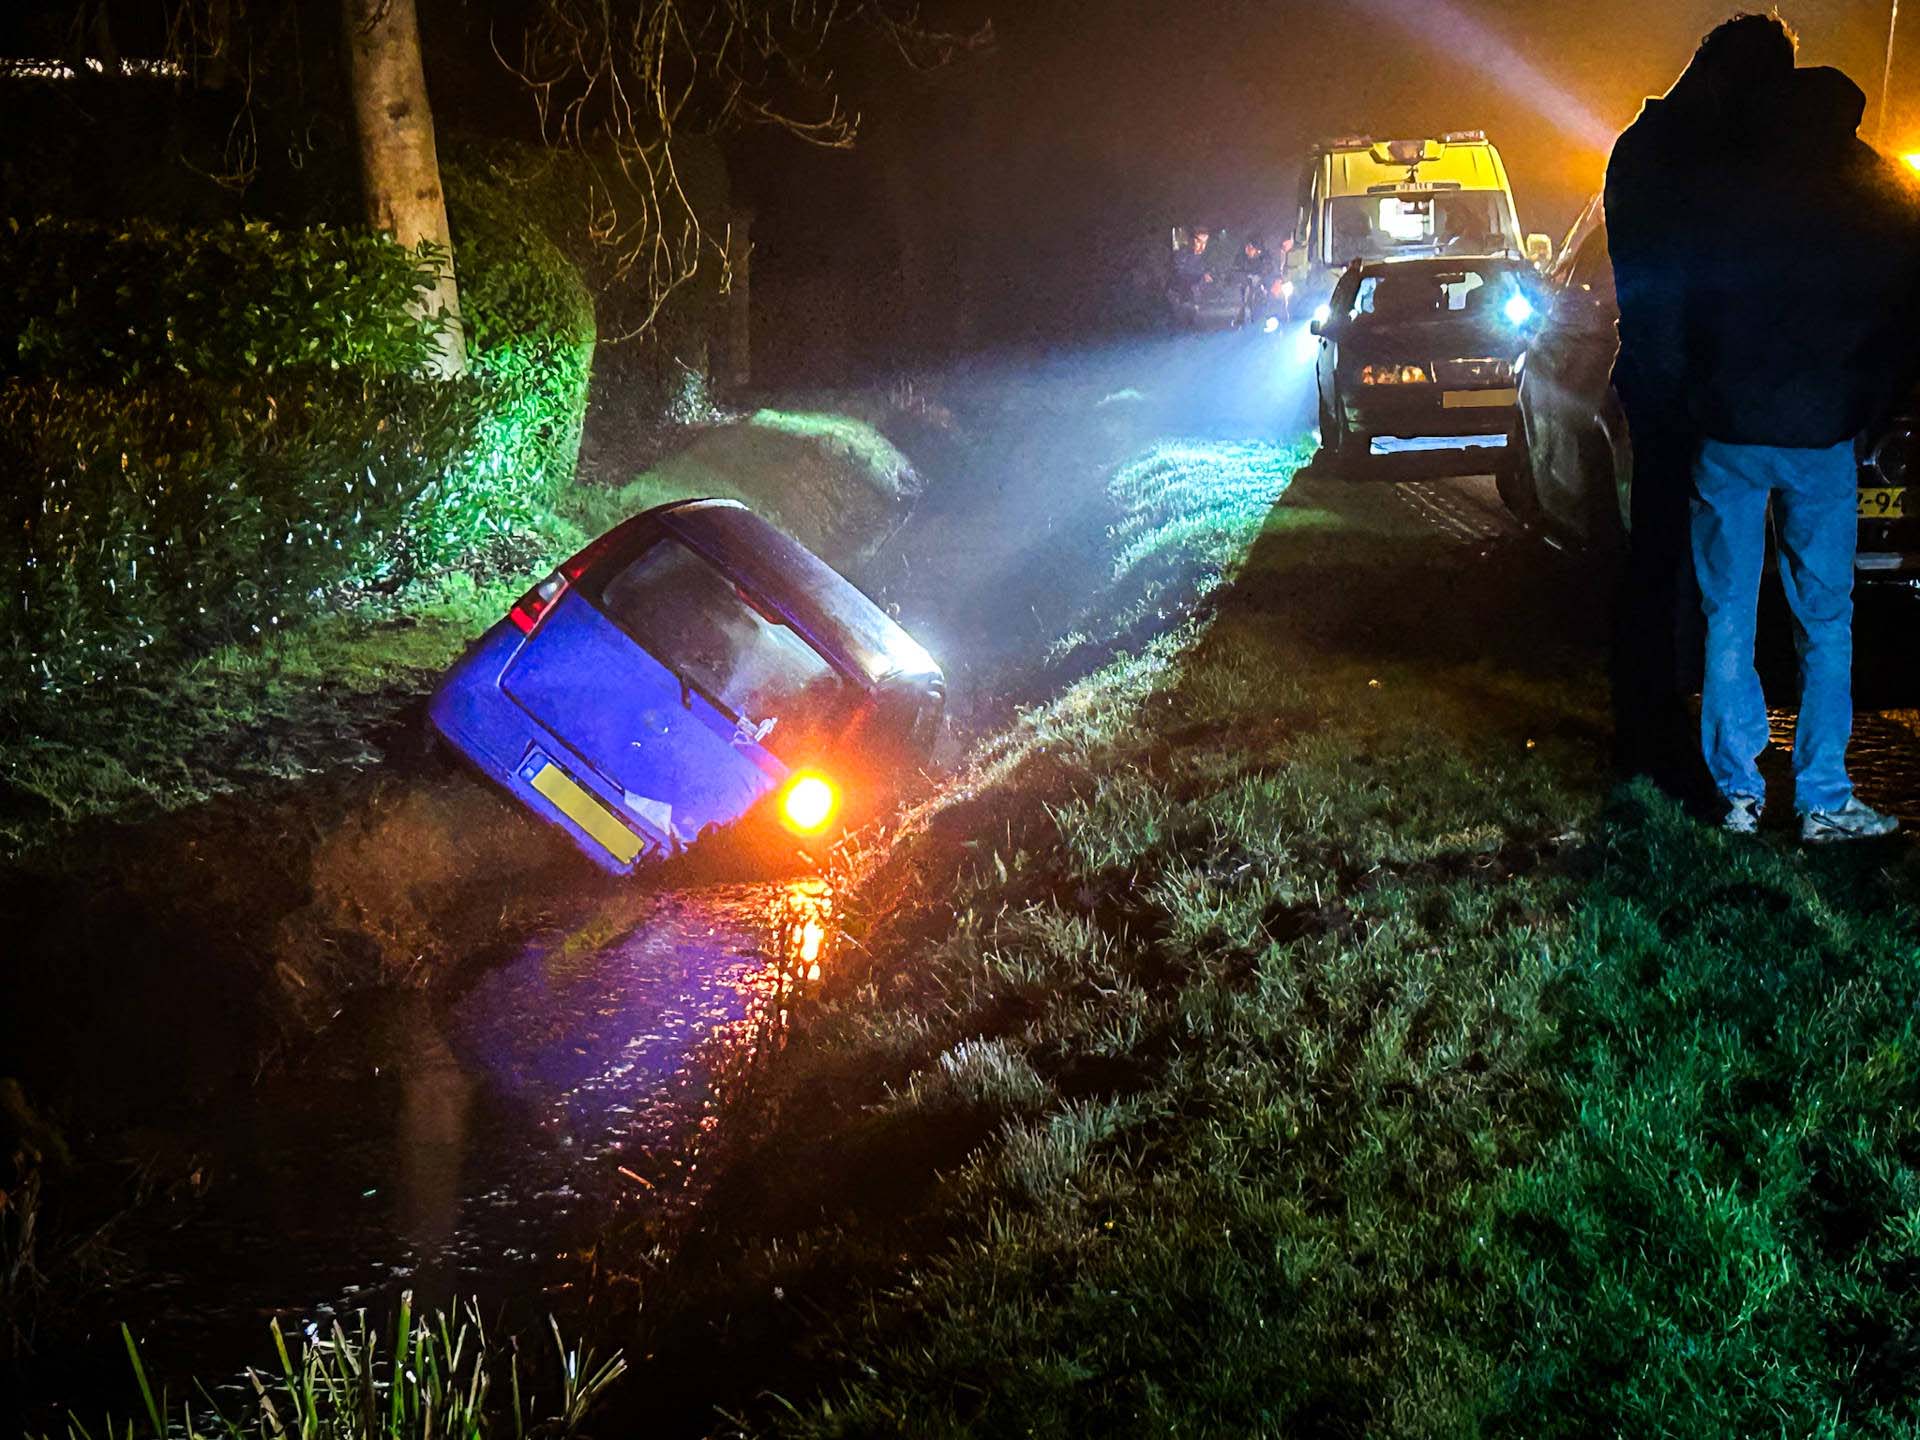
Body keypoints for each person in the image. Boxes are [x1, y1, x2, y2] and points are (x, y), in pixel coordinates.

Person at [1683, 51, 1920, 839]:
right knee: (1825, 619)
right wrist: (1868, 410)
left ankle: (1737, 793)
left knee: (1727, 611)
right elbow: (1901, 316)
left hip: (1728, 429)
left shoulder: (1728, 180)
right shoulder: (1868, 189)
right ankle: (1822, 796)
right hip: (1821, 432)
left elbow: (1685, 297)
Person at [1604, 12, 1784, 804]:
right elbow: (1671, 293)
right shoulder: (1676, 155)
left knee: (1664, 565)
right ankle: (1659, 738)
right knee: (1676, 568)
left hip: (1667, 385)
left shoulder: (1646, 148)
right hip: (1681, 393)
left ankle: (1654, 729)